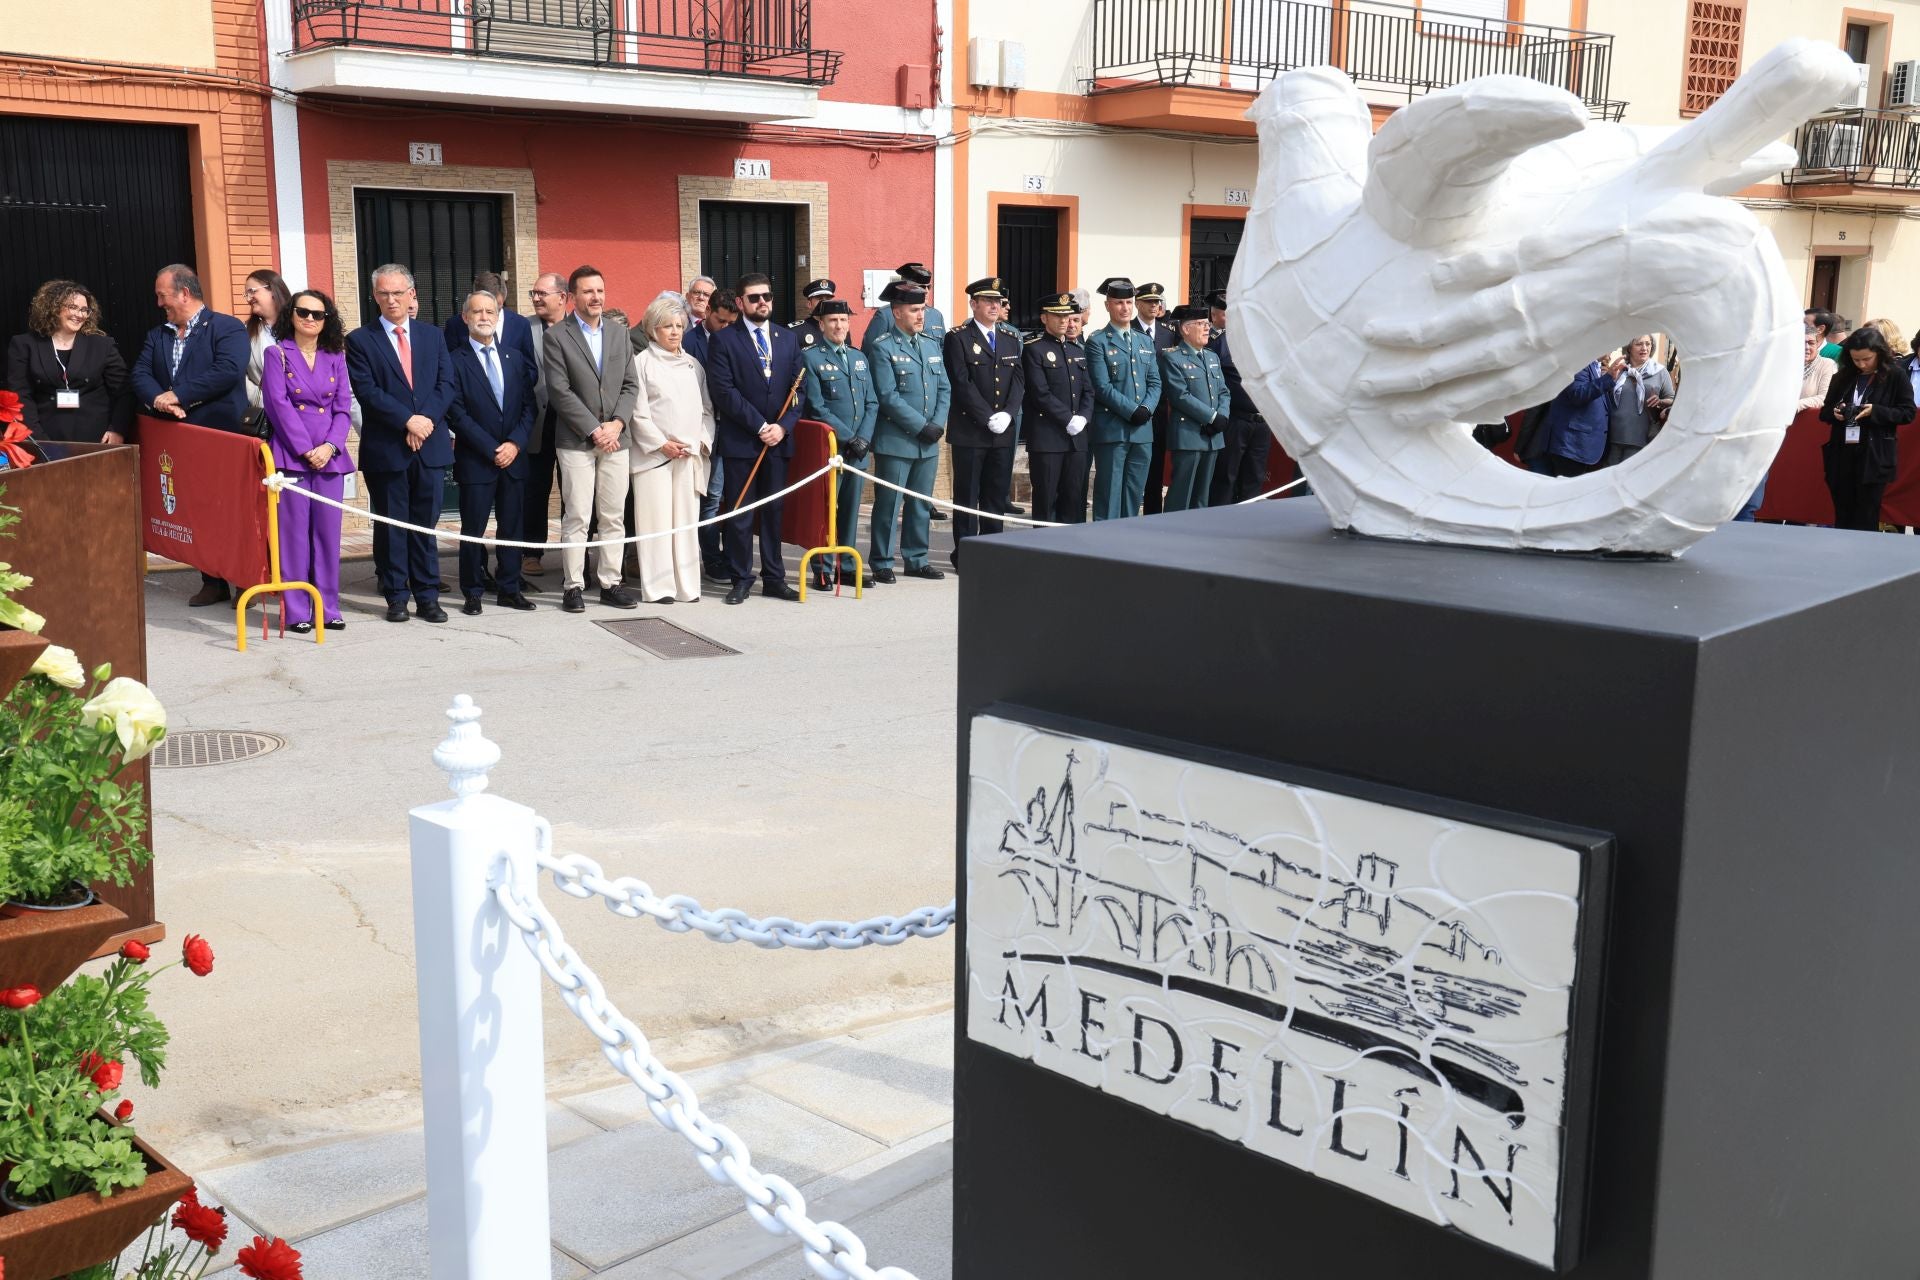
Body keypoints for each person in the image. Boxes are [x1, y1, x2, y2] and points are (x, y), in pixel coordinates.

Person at [131, 264, 251, 607]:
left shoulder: (226, 327)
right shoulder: (159, 335)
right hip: (179, 439)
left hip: (220, 437)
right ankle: (211, 581)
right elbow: (139, 373)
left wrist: (179, 395)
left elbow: (227, 371)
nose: (159, 303)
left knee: (230, 510)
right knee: (196, 511)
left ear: (184, 293)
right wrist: (160, 400)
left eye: (162, 295)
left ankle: (244, 580)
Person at [346, 263, 458, 623]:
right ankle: (396, 596)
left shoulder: (432, 336)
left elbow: (446, 385)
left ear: (412, 294)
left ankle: (428, 596)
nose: (391, 300)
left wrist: (424, 421)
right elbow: (367, 391)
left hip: (429, 445)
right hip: (387, 448)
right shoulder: (360, 340)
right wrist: (406, 420)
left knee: (424, 525)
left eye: (398, 293)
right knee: (392, 525)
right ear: (374, 297)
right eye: (383, 293)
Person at [545, 264, 641, 613]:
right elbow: (559, 390)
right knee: (578, 516)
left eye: (600, 290)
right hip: (576, 441)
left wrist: (616, 423)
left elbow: (631, 384)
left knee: (614, 516)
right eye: (588, 291)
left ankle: (611, 583)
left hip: (616, 439)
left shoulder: (619, 334)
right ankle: (573, 586)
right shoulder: (557, 336)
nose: (596, 297)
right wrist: (595, 429)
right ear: (572, 297)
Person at [706, 273, 805, 604]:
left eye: (767, 296)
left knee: (774, 511)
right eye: (754, 298)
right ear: (740, 303)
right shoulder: (724, 340)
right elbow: (723, 390)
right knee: (740, 513)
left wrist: (783, 426)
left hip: (777, 442)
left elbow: (798, 389)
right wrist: (760, 425)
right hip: (742, 441)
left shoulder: (787, 338)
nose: (762, 302)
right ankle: (741, 577)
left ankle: (774, 577)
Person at [259, 289, 354, 633]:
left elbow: (343, 406)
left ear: (326, 319)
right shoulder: (277, 354)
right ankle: (298, 609)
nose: (310, 319)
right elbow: (278, 405)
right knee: (294, 537)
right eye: (303, 312)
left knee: (328, 536)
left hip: (330, 458)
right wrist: (305, 449)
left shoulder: (336, 355)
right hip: (292, 456)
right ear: (291, 315)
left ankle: (328, 607)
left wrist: (330, 446)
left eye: (318, 314)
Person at [446, 288, 538, 617]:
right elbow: (456, 412)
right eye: (477, 312)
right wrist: (490, 448)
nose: (484, 317)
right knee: (473, 529)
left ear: (498, 318)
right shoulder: (454, 360)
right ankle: (472, 591)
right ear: (465, 318)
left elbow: (529, 407)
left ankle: (510, 587)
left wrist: (514, 444)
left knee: (512, 528)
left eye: (490, 312)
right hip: (477, 459)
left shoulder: (514, 357)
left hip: (514, 459)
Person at [629, 294, 715, 604]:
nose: (675, 332)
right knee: (656, 523)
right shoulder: (641, 364)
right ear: (653, 329)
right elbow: (638, 413)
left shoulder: (693, 365)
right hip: (655, 458)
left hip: (689, 455)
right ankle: (659, 587)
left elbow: (707, 410)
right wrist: (662, 444)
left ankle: (687, 585)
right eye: (668, 326)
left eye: (679, 325)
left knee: (685, 523)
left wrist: (700, 442)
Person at [866, 284, 951, 582]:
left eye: (922, 310)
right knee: (889, 504)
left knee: (920, 503)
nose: (921, 315)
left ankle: (917, 558)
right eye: (914, 310)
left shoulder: (930, 345)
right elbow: (887, 396)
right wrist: (921, 426)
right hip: (897, 440)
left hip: (928, 441)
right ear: (897, 312)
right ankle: (882, 560)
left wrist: (938, 424)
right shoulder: (882, 347)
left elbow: (944, 388)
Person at [942, 277, 1023, 570]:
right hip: (971, 431)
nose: (994, 306)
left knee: (995, 495)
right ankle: (965, 554)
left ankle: (993, 550)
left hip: (1003, 431)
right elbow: (961, 383)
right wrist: (987, 416)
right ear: (973, 304)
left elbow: (1018, 380)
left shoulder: (1011, 338)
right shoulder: (958, 337)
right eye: (987, 301)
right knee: (967, 496)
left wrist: (1009, 413)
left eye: (998, 301)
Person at [801, 298, 877, 590]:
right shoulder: (811, 357)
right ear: (821, 324)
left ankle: (846, 567)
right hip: (832, 448)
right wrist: (849, 436)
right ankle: (823, 569)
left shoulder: (859, 357)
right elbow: (817, 407)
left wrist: (864, 439)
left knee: (850, 509)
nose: (839, 326)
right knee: (826, 509)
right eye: (833, 321)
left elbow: (871, 402)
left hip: (858, 450)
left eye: (844, 320)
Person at [6, 279, 132, 445]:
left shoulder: (102, 345)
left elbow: (125, 391)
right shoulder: (24, 345)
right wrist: (38, 441)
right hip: (45, 440)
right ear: (53, 308)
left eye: (84, 310)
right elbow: (20, 397)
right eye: (73, 307)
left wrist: (117, 429)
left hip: (98, 441)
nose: (79, 315)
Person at [1819, 326, 1911, 532]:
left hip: (1874, 456)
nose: (1861, 364)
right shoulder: (1843, 376)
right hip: (1841, 454)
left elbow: (1907, 413)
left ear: (1879, 353)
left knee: (1866, 516)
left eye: (1867, 359)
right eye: (1855, 359)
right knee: (1843, 514)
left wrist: (1876, 411)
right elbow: (1824, 412)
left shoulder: (1895, 375)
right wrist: (1835, 413)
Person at [1084, 277, 1160, 521]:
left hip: (1142, 431)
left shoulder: (1145, 341)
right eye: (1119, 303)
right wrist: (1132, 410)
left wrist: (1146, 408)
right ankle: (1105, 546)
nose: (1125, 308)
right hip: (1113, 431)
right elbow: (1102, 386)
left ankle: (1129, 542)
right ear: (1108, 305)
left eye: (1129, 302)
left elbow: (1155, 382)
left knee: (1134, 492)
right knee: (1109, 492)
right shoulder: (1098, 341)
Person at [1022, 291, 1093, 524]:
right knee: (1046, 501)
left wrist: (1083, 417)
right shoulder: (1034, 349)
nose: (1064, 320)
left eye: (1067, 316)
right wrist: (1067, 419)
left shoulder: (1077, 351)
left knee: (1074, 500)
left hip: (1077, 439)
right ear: (1044, 318)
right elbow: (1039, 393)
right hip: (1048, 439)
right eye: (1057, 316)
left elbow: (1088, 391)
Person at [520, 272, 570, 576]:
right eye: (533, 293)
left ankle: (574, 554)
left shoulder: (578, 328)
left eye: (543, 293)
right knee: (534, 489)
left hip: (571, 421)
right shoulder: (522, 328)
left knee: (573, 491)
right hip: (535, 420)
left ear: (562, 297)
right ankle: (531, 552)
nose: (537, 298)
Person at [1158, 303, 1230, 511]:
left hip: (1212, 437)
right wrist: (1211, 417)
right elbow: (1180, 395)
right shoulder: (1173, 357)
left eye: (1207, 323)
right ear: (1185, 329)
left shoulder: (1212, 357)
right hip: (1189, 436)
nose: (1207, 328)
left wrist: (1221, 417)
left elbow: (1224, 391)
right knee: (1181, 494)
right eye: (1200, 324)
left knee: (1202, 497)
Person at [688, 287, 738, 581]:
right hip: (704, 430)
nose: (727, 328)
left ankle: (734, 555)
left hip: (735, 428)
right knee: (711, 496)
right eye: (721, 321)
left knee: (735, 495)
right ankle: (712, 558)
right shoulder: (689, 342)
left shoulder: (739, 338)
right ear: (707, 312)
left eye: (732, 322)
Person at [1207, 288, 1272, 505]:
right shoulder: (1217, 344)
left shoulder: (1263, 340)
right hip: (1236, 420)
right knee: (1226, 477)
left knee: (1254, 478)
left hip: (1262, 421)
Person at [1132, 283, 1179, 515]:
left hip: (1159, 410)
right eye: (1149, 301)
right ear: (1138, 303)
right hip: (1134, 407)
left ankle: (1152, 515)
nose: (1154, 305)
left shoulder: (1168, 333)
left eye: (1157, 301)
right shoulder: (1127, 329)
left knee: (1156, 467)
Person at [1538, 352, 1620, 478]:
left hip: (1582, 448)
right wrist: (1607, 378)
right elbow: (1577, 394)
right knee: (1566, 494)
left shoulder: (1595, 366)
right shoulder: (1579, 362)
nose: (1612, 350)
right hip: (1571, 447)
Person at [1605, 335, 1676, 467]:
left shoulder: (1660, 372)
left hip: (1641, 439)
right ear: (1629, 348)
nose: (1644, 348)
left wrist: (1660, 401)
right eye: (1639, 344)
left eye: (1648, 344)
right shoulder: (1618, 370)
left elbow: (1672, 400)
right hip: (1612, 438)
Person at [243, 269, 292, 431]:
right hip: (268, 417)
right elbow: (238, 372)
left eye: (252, 291)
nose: (249, 299)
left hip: (304, 414)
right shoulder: (244, 333)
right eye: (246, 294)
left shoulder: (301, 325)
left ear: (272, 289)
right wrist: (262, 398)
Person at [861, 263, 947, 347]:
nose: (926, 291)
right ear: (906, 287)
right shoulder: (886, 315)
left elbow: (942, 350)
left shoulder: (936, 315)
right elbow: (870, 350)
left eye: (929, 287)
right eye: (921, 287)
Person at [791, 279, 835, 350]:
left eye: (828, 299)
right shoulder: (796, 331)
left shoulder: (840, 329)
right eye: (820, 299)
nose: (824, 302)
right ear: (809, 304)